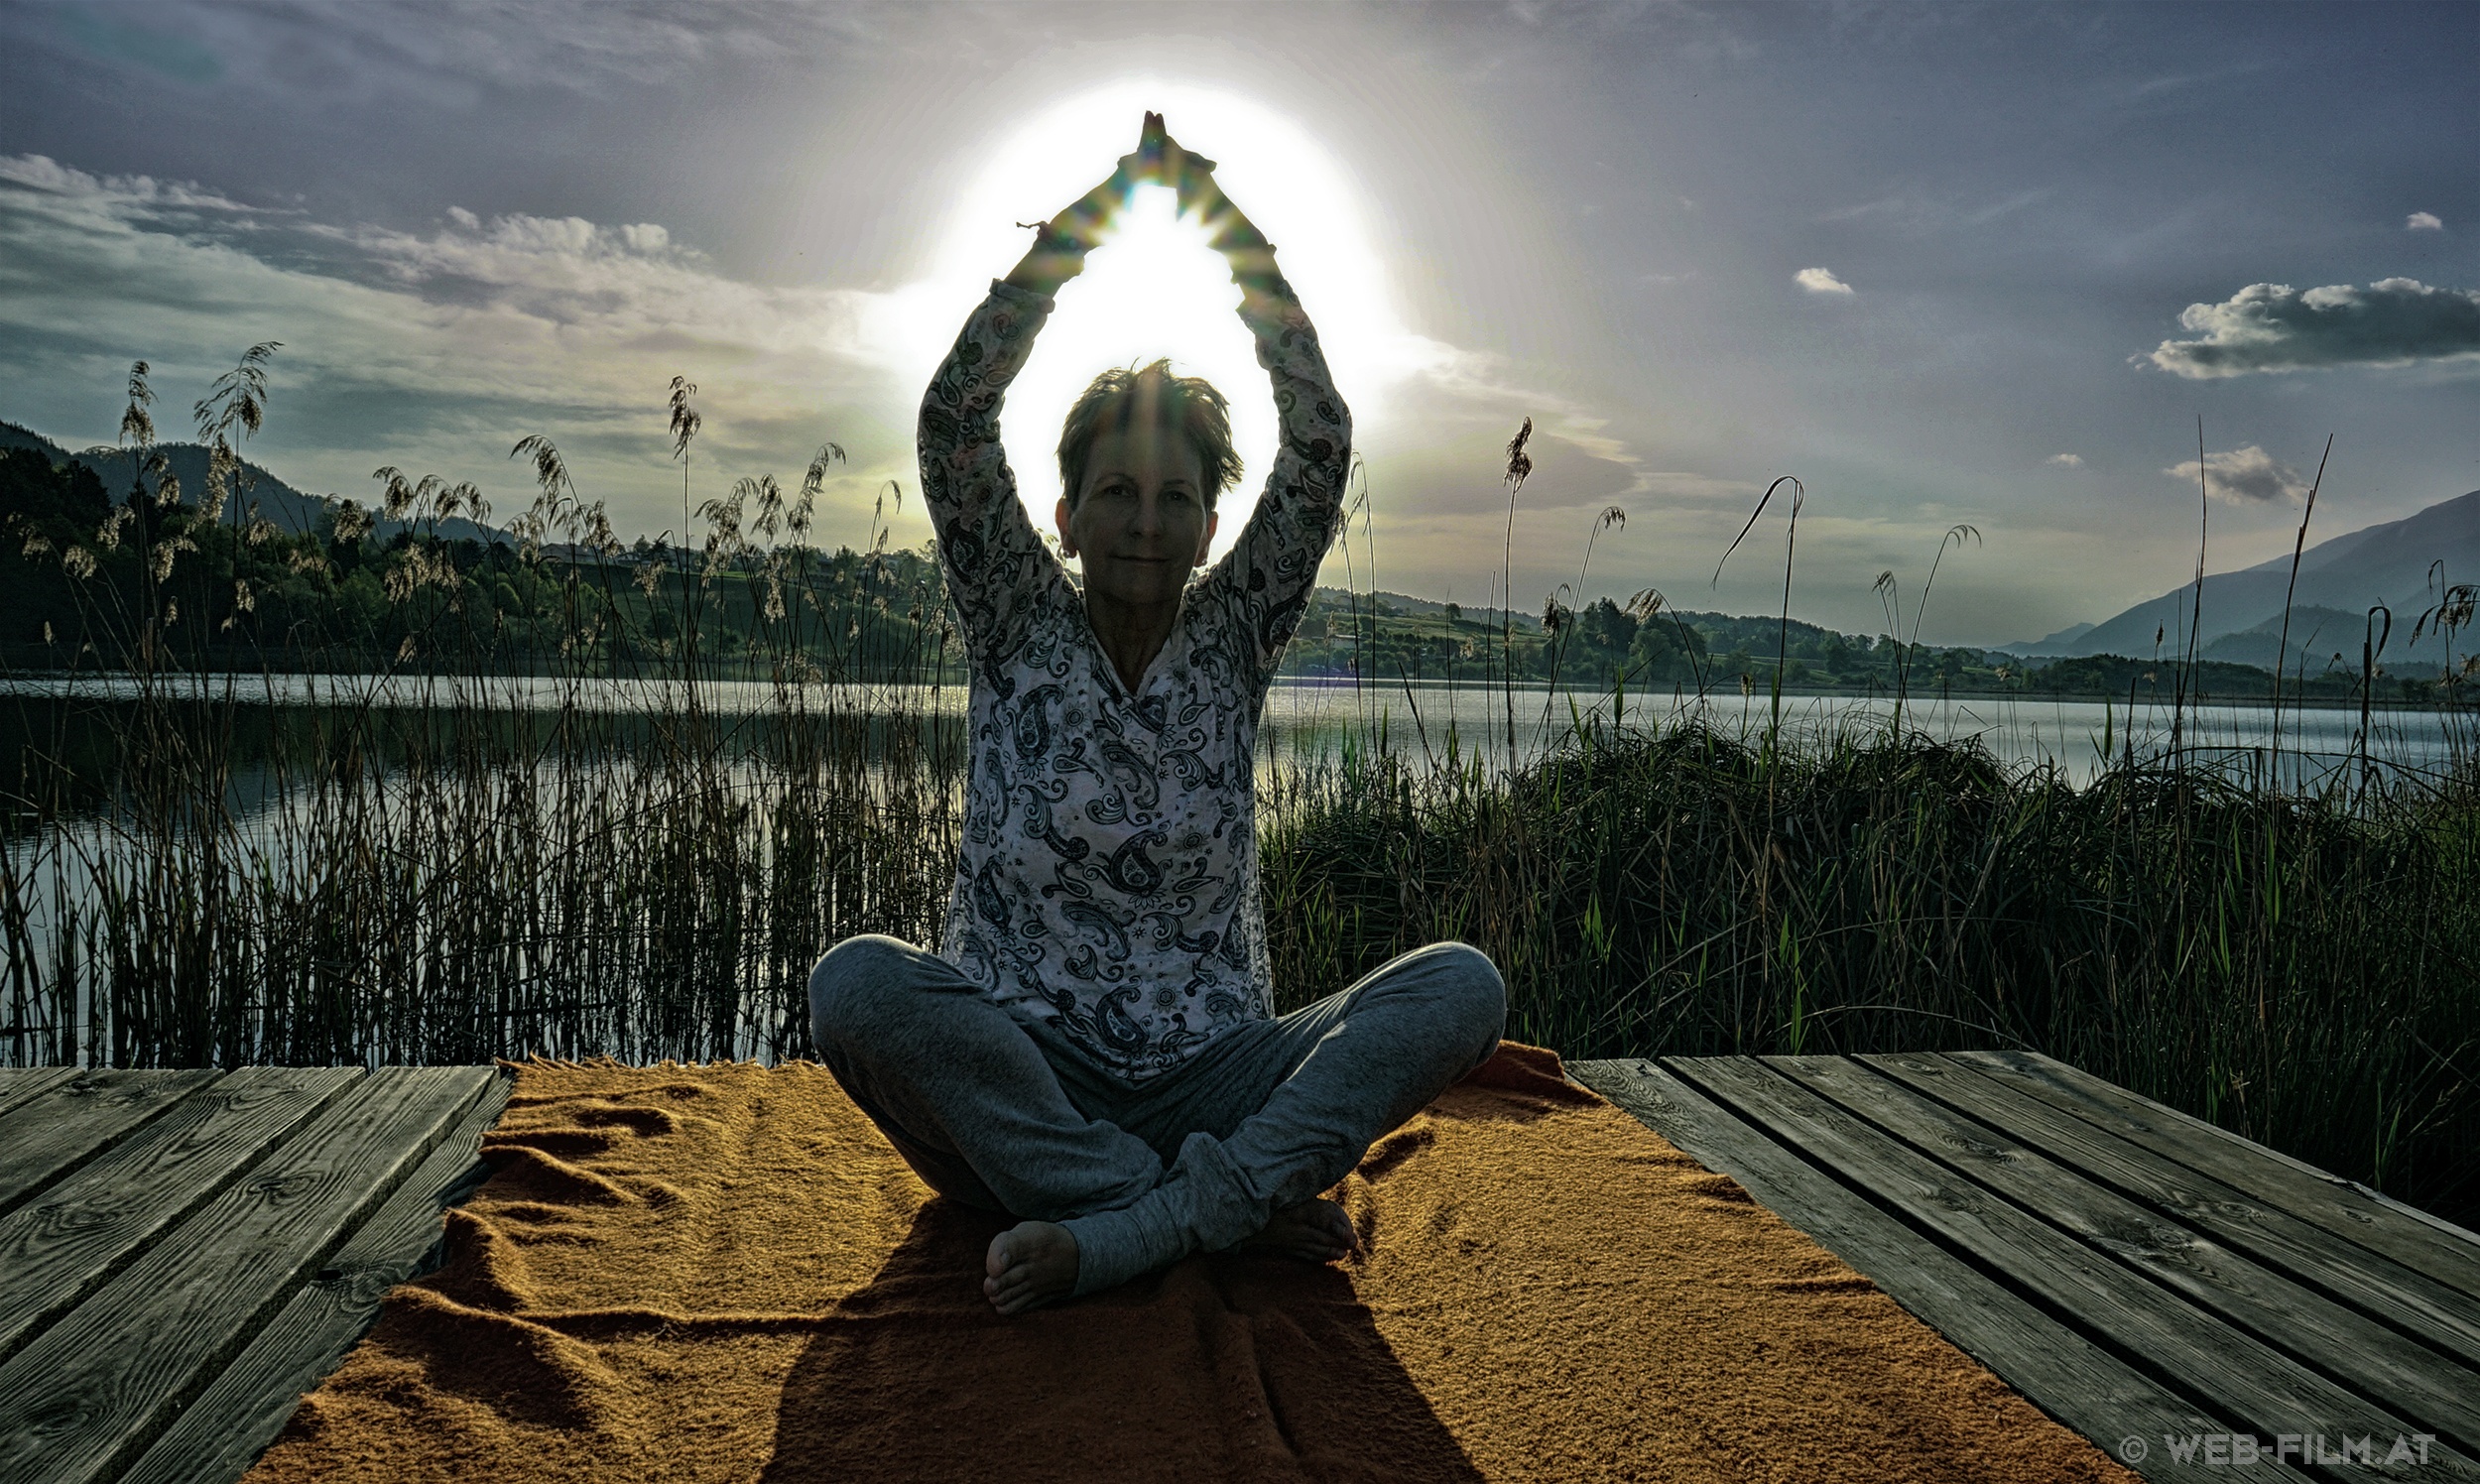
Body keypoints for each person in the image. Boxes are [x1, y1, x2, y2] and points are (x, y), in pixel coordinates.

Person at [808, 114, 1506, 1316]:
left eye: (1173, 497)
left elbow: (1320, 438)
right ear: (1065, 515)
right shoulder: (1018, 619)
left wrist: (1228, 232)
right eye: (1115, 493)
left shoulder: (1233, 639)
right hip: (1019, 1093)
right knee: (854, 983)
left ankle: (1139, 1223)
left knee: (1463, 983)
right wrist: (1083, 229)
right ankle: (1207, 1210)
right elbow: (954, 420)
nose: (1144, 520)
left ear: (1209, 524)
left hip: (1212, 1077)